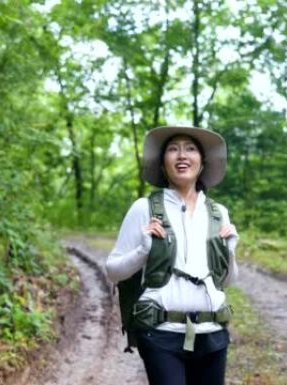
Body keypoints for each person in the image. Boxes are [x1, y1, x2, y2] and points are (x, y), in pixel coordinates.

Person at [106, 126, 239, 385]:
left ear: (202, 163)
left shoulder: (217, 212)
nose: (182, 156)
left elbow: (228, 281)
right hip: (161, 334)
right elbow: (113, 270)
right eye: (172, 149)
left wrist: (230, 252)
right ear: (163, 164)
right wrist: (143, 250)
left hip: (212, 334)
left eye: (190, 149)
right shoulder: (144, 209)